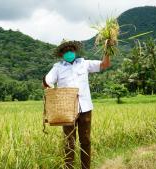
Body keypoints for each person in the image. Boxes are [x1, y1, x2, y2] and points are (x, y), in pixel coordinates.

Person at [42, 40, 111, 169]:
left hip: (85, 108)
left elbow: (105, 64)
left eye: (71, 49)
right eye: (65, 50)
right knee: (69, 142)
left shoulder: (84, 63)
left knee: (86, 140)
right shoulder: (57, 67)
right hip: (67, 111)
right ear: (62, 53)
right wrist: (48, 87)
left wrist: (108, 49)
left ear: (74, 50)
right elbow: (47, 82)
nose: (69, 52)